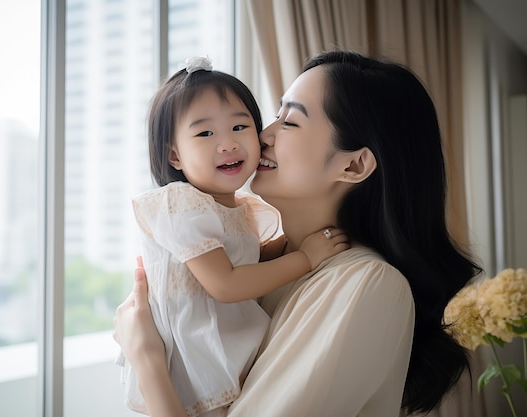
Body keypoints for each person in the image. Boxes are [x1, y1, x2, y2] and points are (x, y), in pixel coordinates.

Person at [113, 50, 483, 417]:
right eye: (274, 116)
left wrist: (147, 361)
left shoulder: (368, 284)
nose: (264, 135)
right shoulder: (271, 264)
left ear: (353, 164)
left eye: (289, 122)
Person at [116, 56, 349, 417]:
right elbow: (225, 283)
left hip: (218, 353)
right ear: (175, 155)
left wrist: (288, 245)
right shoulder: (182, 205)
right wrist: (305, 257)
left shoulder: (233, 207)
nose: (227, 144)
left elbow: (245, 258)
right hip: (192, 363)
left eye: (240, 128)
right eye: (205, 133)